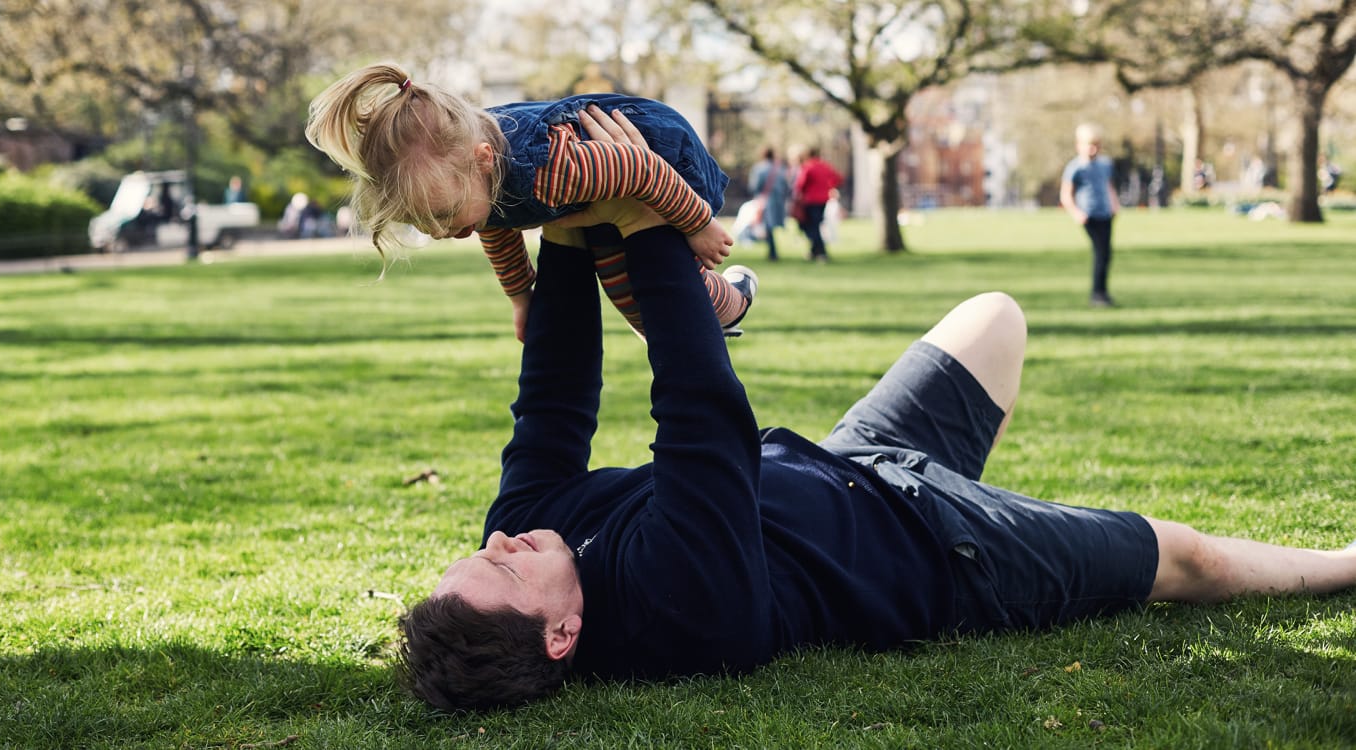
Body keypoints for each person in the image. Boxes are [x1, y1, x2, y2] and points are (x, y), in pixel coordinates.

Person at [391, 114, 1356, 713]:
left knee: (995, 318)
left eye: (483, 550)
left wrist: (567, 213)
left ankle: (987, 493)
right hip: (946, 548)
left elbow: (553, 399)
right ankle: (1342, 568)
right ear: (562, 636)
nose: (504, 541)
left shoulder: (530, 535)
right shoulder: (677, 615)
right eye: (503, 570)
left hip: (853, 460)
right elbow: (702, 415)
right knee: (1187, 558)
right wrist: (640, 218)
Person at [304, 62, 754, 343]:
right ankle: (664, 318)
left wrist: (697, 224)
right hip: (604, 175)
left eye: (441, 215)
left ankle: (733, 299)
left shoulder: (550, 169)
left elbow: (638, 167)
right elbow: (496, 229)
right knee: (632, 293)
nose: (441, 232)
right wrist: (521, 297)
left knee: (640, 285)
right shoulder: (471, 172)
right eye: (423, 223)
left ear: (484, 161)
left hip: (666, 161)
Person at [1059, 124, 1121, 308]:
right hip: (1089, 216)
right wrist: (1076, 213)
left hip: (1105, 214)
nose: (1093, 149)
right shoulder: (1075, 168)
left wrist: (1114, 205)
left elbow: (1108, 186)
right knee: (1100, 253)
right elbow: (1066, 195)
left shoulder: (1105, 165)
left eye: (1097, 145)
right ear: (1079, 145)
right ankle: (1097, 294)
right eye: (1089, 145)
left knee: (1107, 254)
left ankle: (1103, 292)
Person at [791, 146, 842, 263]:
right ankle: (814, 251)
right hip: (823, 200)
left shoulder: (808, 166)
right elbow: (838, 178)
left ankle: (821, 252)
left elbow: (800, 184)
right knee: (815, 225)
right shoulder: (825, 166)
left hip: (811, 200)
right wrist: (828, 187)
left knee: (812, 226)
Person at [746, 146, 791, 261]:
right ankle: (772, 251)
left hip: (765, 200)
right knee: (770, 226)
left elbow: (754, 186)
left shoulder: (759, 168)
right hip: (778, 200)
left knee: (768, 225)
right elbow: (786, 186)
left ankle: (772, 252)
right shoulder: (780, 169)